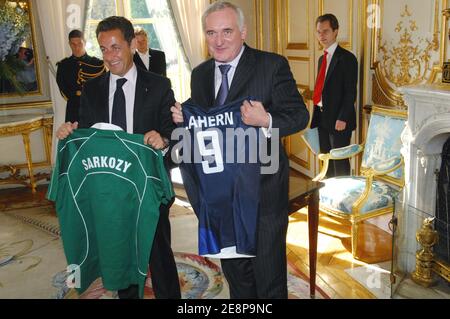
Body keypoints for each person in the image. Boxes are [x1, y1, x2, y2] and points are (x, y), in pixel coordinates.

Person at [171, 1, 309, 298]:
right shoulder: (200, 74)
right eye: (210, 33)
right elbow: (205, 124)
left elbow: (299, 115)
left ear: (243, 32)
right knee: (237, 277)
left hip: (263, 193)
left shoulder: (271, 65)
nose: (218, 41)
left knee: (269, 277)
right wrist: (185, 115)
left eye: (226, 31)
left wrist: (266, 120)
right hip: (221, 196)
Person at [56, 16, 181, 299]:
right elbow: (86, 136)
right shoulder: (92, 89)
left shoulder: (160, 85)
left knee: (159, 254)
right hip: (110, 192)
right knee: (119, 253)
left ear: (132, 44)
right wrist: (69, 132)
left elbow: (174, 132)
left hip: (148, 189)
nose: (109, 56)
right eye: (103, 49)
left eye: (115, 47)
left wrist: (163, 139)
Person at [310, 13, 358, 177]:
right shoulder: (321, 60)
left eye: (325, 31)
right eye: (318, 32)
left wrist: (343, 118)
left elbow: (350, 92)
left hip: (339, 120)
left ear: (335, 31)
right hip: (322, 118)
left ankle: (344, 199)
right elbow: (322, 89)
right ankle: (328, 195)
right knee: (326, 159)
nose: (321, 36)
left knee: (340, 163)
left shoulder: (347, 58)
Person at [56, 29, 105, 123]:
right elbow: (63, 89)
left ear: (85, 42)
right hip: (73, 110)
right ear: (69, 44)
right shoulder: (63, 66)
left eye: (79, 43)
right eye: (73, 44)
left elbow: (104, 87)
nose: (76, 47)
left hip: (94, 108)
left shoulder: (97, 64)